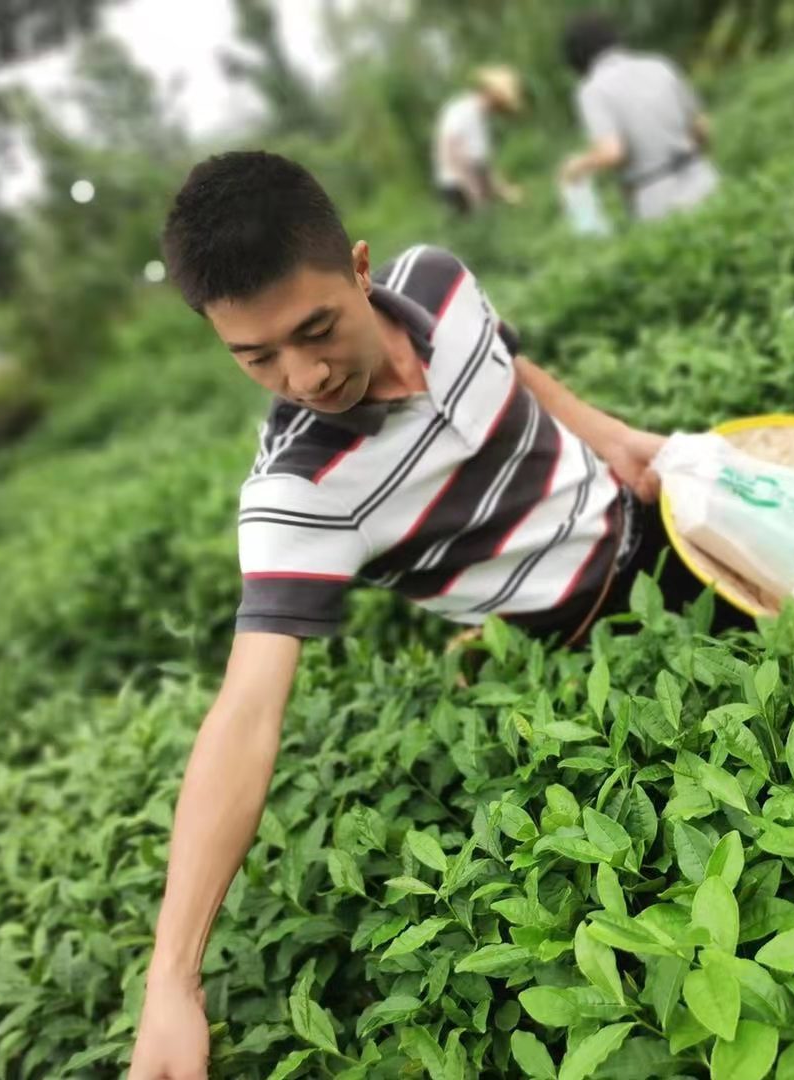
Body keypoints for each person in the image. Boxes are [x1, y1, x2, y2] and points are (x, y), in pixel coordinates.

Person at [127, 150, 714, 1079]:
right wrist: (172, 979)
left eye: (317, 329)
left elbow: (509, 368)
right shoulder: (299, 494)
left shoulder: (441, 283)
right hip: (593, 649)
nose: (304, 375)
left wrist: (613, 439)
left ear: (361, 269)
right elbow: (246, 713)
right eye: (256, 357)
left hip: (663, 528)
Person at [559, 12, 719, 222]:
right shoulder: (659, 64)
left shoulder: (592, 90)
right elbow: (701, 127)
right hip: (704, 179)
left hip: (658, 199)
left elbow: (612, 152)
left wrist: (579, 165)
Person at [432, 65, 524, 214]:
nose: (500, 110)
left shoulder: (481, 118)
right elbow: (449, 152)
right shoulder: (462, 110)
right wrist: (473, 193)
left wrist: (505, 191)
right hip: (458, 190)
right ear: (491, 95)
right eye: (500, 104)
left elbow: (482, 165)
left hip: (476, 185)